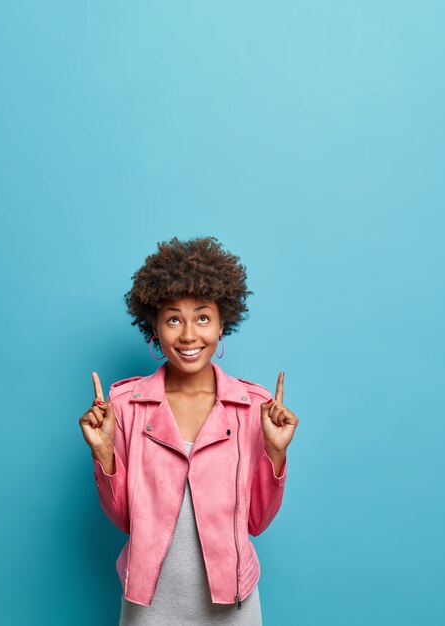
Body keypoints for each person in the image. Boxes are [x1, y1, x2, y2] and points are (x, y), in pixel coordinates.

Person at [79, 236, 299, 625]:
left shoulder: (253, 405)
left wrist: (276, 453)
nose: (188, 335)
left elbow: (257, 522)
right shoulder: (126, 404)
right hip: (150, 602)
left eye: (202, 317)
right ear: (155, 328)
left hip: (233, 603)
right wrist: (104, 454)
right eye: (173, 319)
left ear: (221, 324)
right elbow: (126, 519)